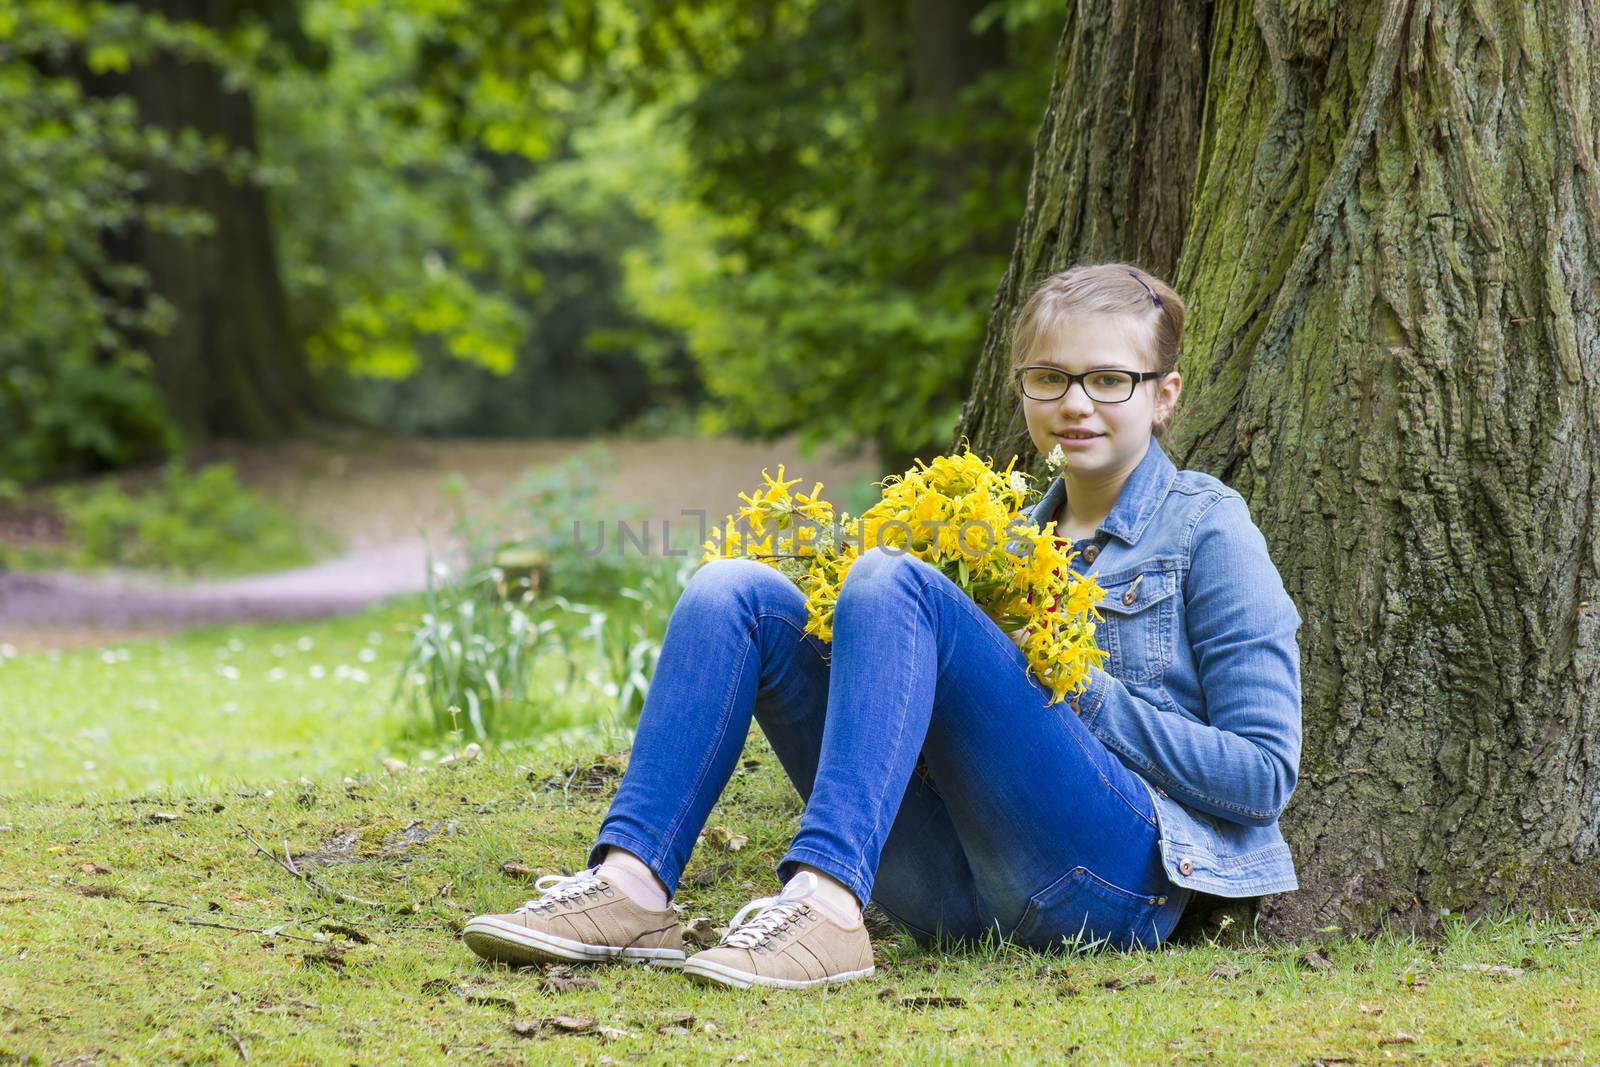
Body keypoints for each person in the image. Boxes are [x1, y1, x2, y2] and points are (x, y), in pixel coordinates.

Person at [462, 262, 1303, 990]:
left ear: (1163, 396)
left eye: (1108, 379)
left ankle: (825, 900)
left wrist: (1077, 687)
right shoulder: (994, 537)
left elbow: (1265, 774)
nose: (1075, 403)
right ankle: (632, 887)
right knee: (735, 591)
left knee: (895, 578)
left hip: (1108, 886)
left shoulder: (1206, 528)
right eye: (1049, 377)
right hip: (954, 888)